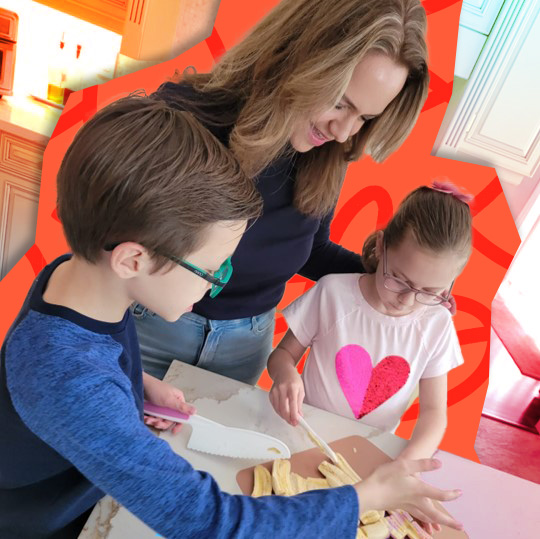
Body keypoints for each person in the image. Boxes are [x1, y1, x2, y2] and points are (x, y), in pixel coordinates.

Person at [0, 96, 463, 538]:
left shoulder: (73, 279)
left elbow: (87, 356)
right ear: (132, 260)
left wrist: (134, 384)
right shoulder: (70, 380)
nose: (214, 286)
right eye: (211, 269)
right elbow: (210, 523)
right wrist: (362, 498)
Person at [134, 0, 434, 384]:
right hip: (147, 330)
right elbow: (108, 239)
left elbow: (311, 250)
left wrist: (397, 277)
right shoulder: (181, 119)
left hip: (245, 348)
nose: (343, 132)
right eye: (340, 102)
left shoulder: (325, 154)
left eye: (364, 118)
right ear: (296, 56)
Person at [268, 182, 472, 458]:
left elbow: (434, 412)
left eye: (429, 292)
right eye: (399, 280)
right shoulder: (332, 293)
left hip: (369, 453)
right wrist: (285, 374)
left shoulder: (437, 324)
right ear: (381, 246)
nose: (407, 300)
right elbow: (282, 355)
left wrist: (408, 462)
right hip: (301, 436)